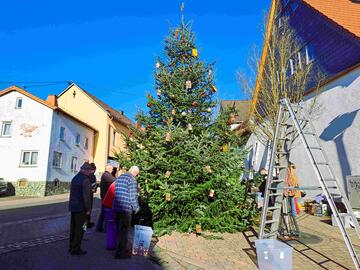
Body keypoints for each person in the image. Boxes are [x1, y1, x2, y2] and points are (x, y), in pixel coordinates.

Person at [113, 166, 140, 259]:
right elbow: (133, 197)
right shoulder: (132, 180)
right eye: (137, 174)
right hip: (125, 209)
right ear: (135, 172)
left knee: (118, 230)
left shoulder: (120, 177)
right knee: (124, 231)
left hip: (116, 207)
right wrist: (136, 208)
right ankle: (120, 253)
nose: (136, 176)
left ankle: (119, 248)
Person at [68, 162, 92, 255]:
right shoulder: (85, 180)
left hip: (73, 207)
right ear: (85, 170)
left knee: (73, 228)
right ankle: (76, 249)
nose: (90, 172)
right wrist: (88, 209)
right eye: (89, 171)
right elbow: (87, 197)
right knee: (80, 229)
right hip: (81, 208)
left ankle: (71, 246)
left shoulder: (75, 178)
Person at [96, 164, 116, 232]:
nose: (112, 170)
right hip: (106, 198)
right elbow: (114, 180)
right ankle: (104, 229)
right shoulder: (106, 175)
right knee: (106, 213)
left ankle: (99, 227)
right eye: (112, 169)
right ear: (109, 169)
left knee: (103, 213)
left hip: (104, 197)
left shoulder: (106, 175)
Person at [87, 162, 97, 228]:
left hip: (84, 195)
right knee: (88, 209)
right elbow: (94, 188)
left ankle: (84, 224)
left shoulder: (86, 175)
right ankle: (87, 224)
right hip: (89, 195)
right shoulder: (92, 176)